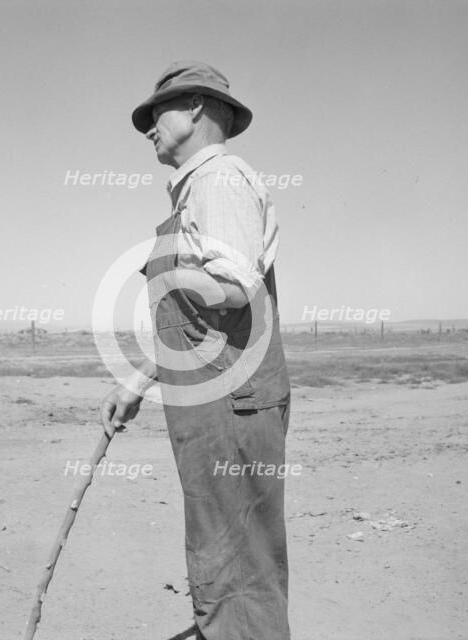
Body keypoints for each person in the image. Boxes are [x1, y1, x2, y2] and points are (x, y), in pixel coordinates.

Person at [100, 61, 291, 640]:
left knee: (238, 568)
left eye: (158, 113)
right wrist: (138, 380)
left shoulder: (220, 179)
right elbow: (199, 325)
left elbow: (231, 291)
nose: (149, 129)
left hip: (231, 403)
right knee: (223, 556)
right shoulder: (195, 191)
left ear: (199, 109)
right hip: (214, 403)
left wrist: (177, 281)